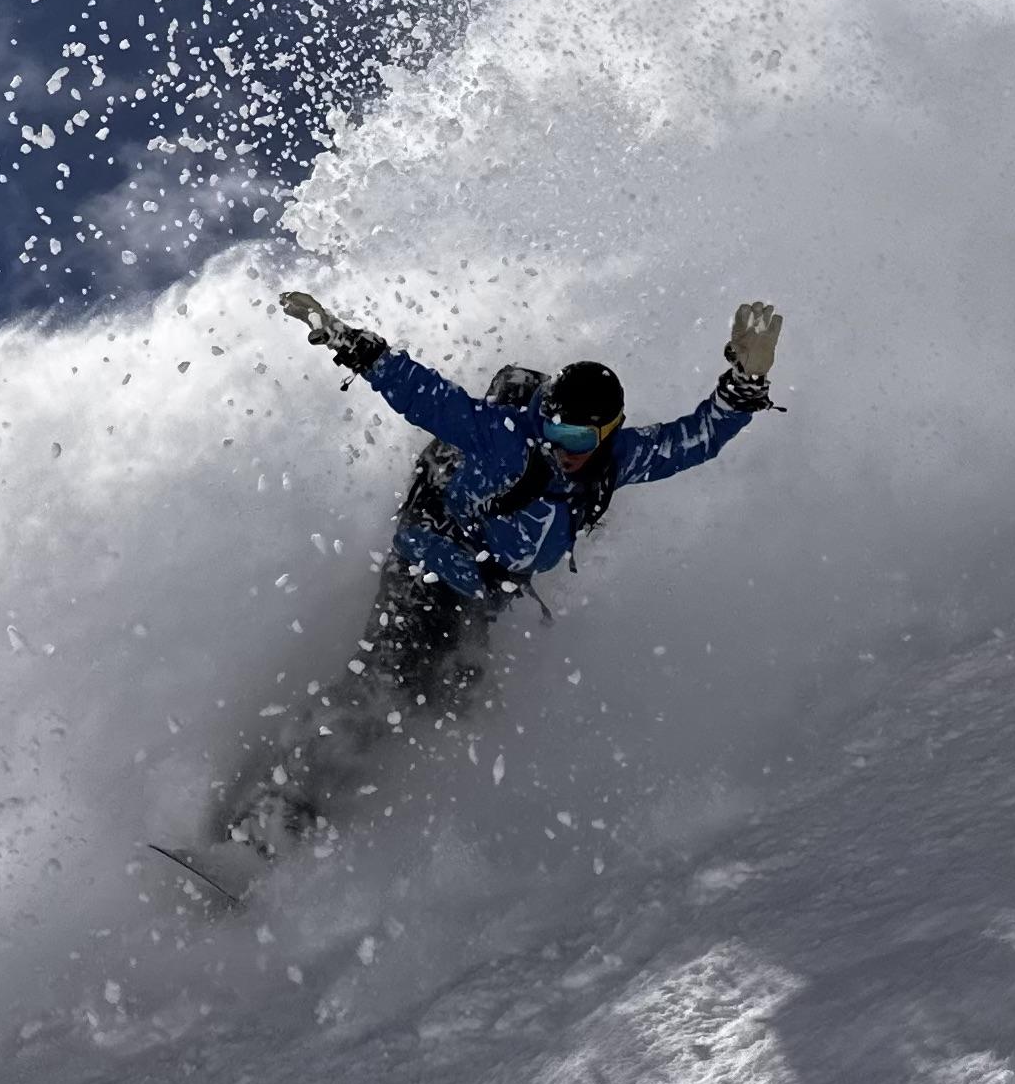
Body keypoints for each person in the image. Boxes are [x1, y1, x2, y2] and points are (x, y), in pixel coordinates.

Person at [219, 293, 784, 854]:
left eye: (578, 439)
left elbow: (695, 440)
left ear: (608, 433)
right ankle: (272, 807)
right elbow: (424, 396)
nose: (561, 449)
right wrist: (345, 338)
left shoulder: (618, 462)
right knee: (388, 682)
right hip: (429, 565)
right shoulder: (507, 436)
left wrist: (745, 382)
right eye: (554, 430)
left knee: (448, 703)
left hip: (480, 597)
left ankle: (328, 784)